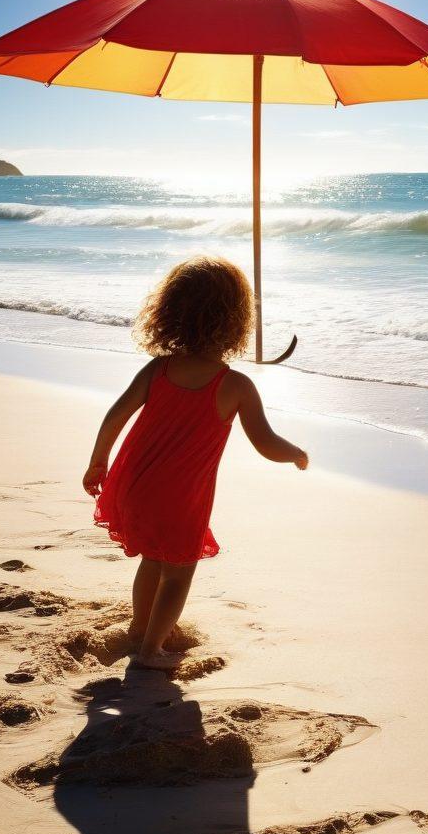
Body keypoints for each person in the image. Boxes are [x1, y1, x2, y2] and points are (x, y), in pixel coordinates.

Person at [82, 256, 308, 669]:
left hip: (135, 485)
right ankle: (152, 650)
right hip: (182, 498)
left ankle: (140, 628)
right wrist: (295, 453)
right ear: (237, 321)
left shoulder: (158, 369)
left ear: (170, 313)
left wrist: (99, 463)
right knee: (179, 570)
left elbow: (115, 416)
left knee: (153, 560)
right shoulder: (235, 386)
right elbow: (265, 442)